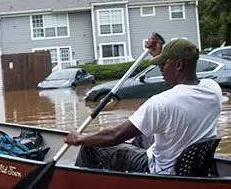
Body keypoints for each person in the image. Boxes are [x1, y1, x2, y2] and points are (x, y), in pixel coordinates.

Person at [65, 33, 222, 175]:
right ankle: (122, 168)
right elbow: (181, 91)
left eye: (163, 64)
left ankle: (82, 181)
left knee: (92, 145)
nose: (160, 69)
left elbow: (114, 136)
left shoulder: (161, 103)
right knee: (142, 132)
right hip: (189, 164)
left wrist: (80, 138)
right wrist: (161, 55)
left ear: (179, 65)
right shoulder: (213, 89)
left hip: (158, 169)